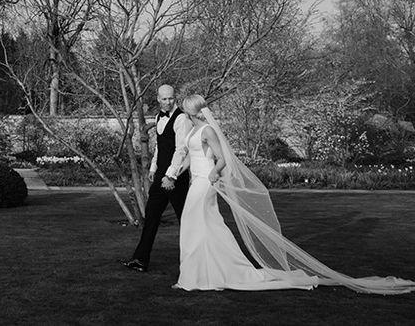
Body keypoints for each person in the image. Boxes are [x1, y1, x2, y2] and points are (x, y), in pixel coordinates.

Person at [165, 93, 415, 294]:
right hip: (194, 180)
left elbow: (222, 159)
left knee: (195, 224)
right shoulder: (191, 132)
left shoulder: (208, 131)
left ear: (190, 110)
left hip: (205, 183)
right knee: (201, 226)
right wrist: (174, 174)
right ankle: (202, 274)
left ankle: (204, 275)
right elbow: (190, 157)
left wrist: (213, 173)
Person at [122, 84, 192, 273]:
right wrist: (154, 168)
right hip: (161, 175)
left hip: (175, 178)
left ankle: (195, 262)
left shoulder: (182, 119)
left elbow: (181, 150)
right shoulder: (159, 117)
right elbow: (161, 147)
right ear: (158, 99)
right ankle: (140, 259)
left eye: (171, 98)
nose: (168, 102)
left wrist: (171, 175)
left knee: (186, 220)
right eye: (164, 99)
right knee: (151, 217)